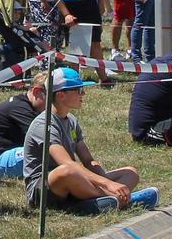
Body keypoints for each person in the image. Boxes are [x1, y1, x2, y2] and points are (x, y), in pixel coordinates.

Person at [23, 68, 148, 213]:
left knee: (130, 172)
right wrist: (107, 184)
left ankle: (100, 201)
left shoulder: (71, 120)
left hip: (74, 181)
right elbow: (67, 163)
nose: (83, 94)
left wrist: (104, 179)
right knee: (68, 171)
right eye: (79, 90)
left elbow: (88, 160)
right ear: (61, 95)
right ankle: (119, 200)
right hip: (43, 190)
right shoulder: (44, 124)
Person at [0, 81, 44, 179]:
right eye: (52, 96)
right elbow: (43, 141)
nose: (54, 103)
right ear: (36, 91)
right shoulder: (21, 109)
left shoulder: (23, 105)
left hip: (0, 156)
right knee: (43, 152)